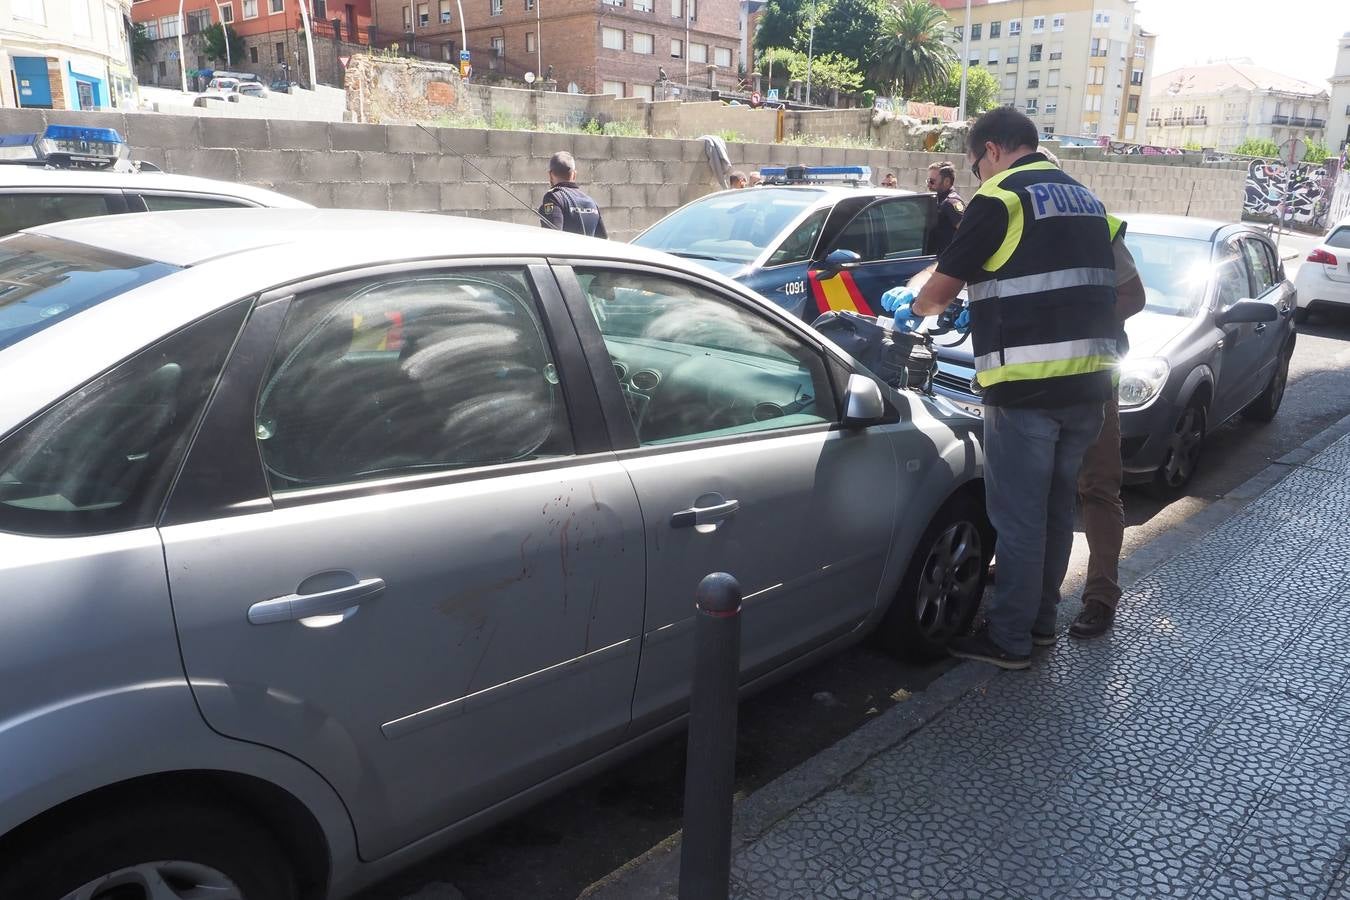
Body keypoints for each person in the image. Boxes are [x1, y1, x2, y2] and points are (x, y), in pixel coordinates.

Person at [880, 108, 1124, 669]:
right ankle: (1040, 623)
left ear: (991, 150)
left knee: (1017, 517)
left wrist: (912, 308)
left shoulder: (1004, 197)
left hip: (1026, 388)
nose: (977, 174)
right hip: (1089, 386)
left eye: (975, 163)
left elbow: (941, 285)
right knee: (1057, 509)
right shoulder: (1085, 199)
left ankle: (1010, 638)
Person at [1035, 149, 1147, 640]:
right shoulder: (1011, 222)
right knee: (1032, 487)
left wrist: (1072, 325)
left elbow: (1132, 296)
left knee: (1097, 487)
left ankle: (1101, 597)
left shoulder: (1097, 223)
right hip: (1033, 378)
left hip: (1094, 377)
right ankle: (1031, 580)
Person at [539, 151, 608, 238]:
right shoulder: (591, 202)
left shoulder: (553, 198)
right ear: (574, 175)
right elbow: (604, 240)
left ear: (550, 175)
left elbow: (552, 236)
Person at [926, 161, 965, 253]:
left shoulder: (951, 203)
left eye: (932, 181)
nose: (928, 185)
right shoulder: (937, 200)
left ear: (946, 181)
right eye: (928, 181)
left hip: (944, 260)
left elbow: (967, 233)